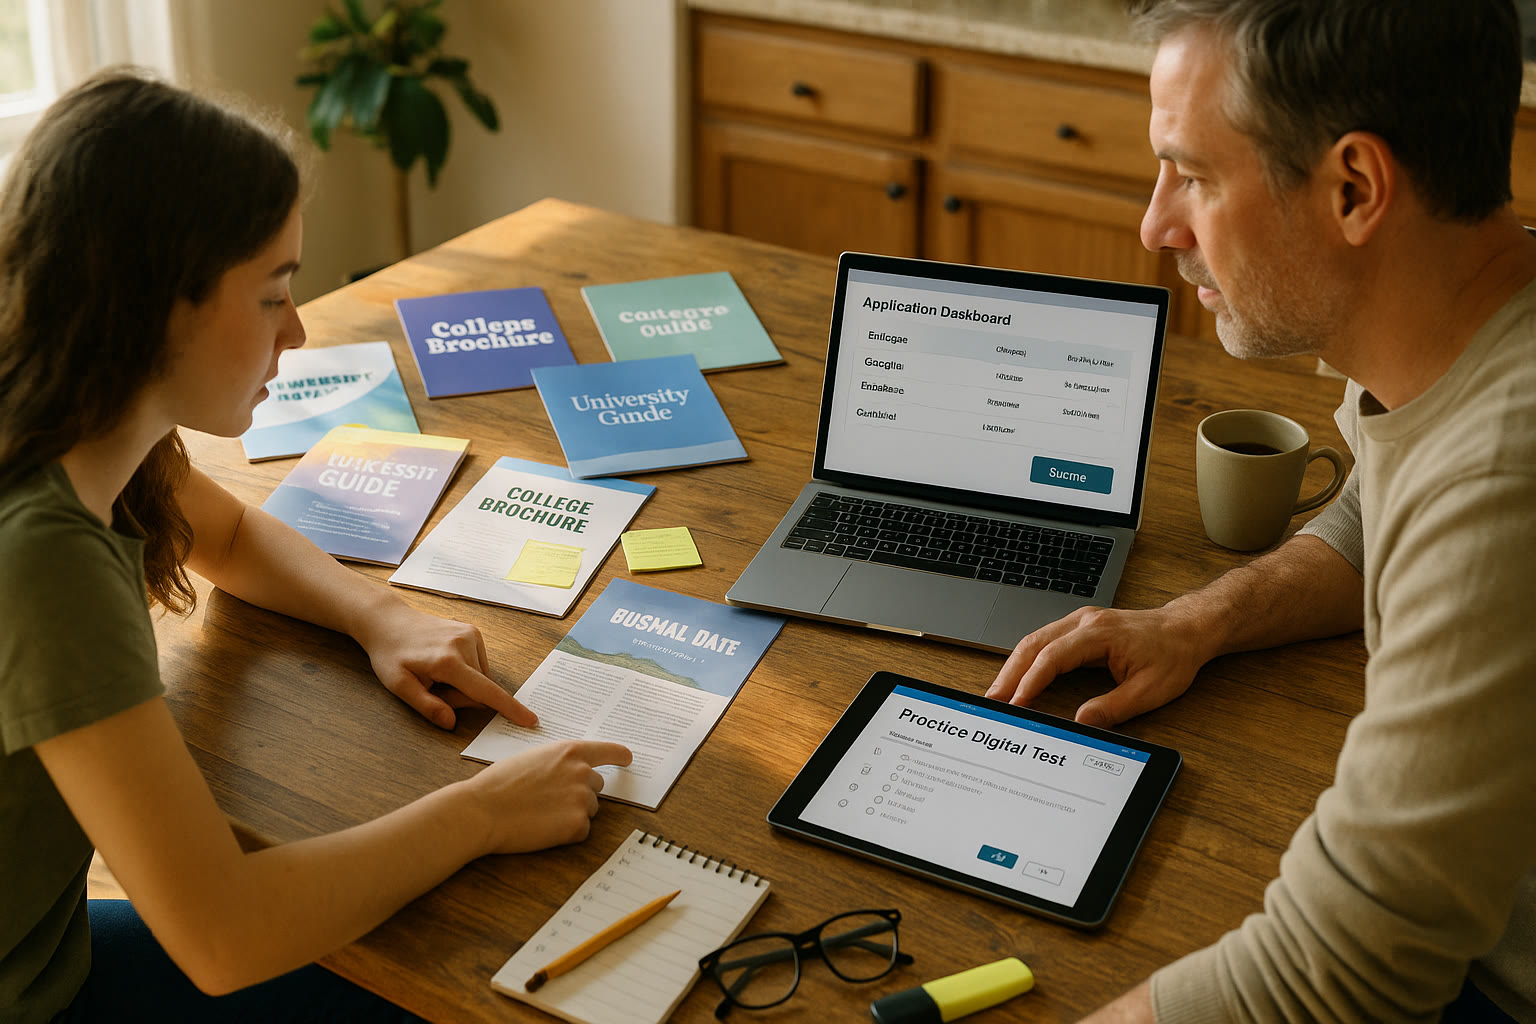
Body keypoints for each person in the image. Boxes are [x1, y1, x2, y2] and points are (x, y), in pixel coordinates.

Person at [0, 70, 631, 1022]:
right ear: (156, 304)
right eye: (272, 295)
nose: (296, 332)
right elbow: (225, 936)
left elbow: (228, 533)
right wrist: (486, 810)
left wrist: (382, 616)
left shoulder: (76, 421)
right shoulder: (45, 560)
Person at [985, 1, 1536, 1021]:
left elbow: (1340, 973)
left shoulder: (1505, 485)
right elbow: (1376, 508)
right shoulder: (1462, 308)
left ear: (1354, 188)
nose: (1157, 225)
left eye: (1192, 175)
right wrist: (1198, 620)